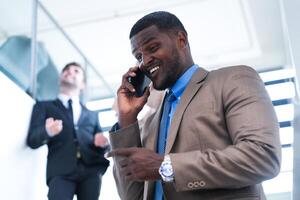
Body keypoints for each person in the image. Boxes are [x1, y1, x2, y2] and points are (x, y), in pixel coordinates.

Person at [107, 11, 281, 200]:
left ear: (181, 40)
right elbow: (132, 197)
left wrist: (166, 167)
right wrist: (127, 118)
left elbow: (263, 157)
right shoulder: (150, 123)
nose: (145, 61)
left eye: (153, 47)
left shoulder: (233, 80)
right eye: (138, 56)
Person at [27, 62, 110, 200]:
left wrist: (104, 145)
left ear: (83, 85)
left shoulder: (92, 115)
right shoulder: (43, 106)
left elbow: (102, 146)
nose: (70, 72)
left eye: (76, 71)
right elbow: (32, 140)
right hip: (60, 170)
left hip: (91, 171)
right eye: (66, 70)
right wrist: (47, 132)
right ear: (60, 78)